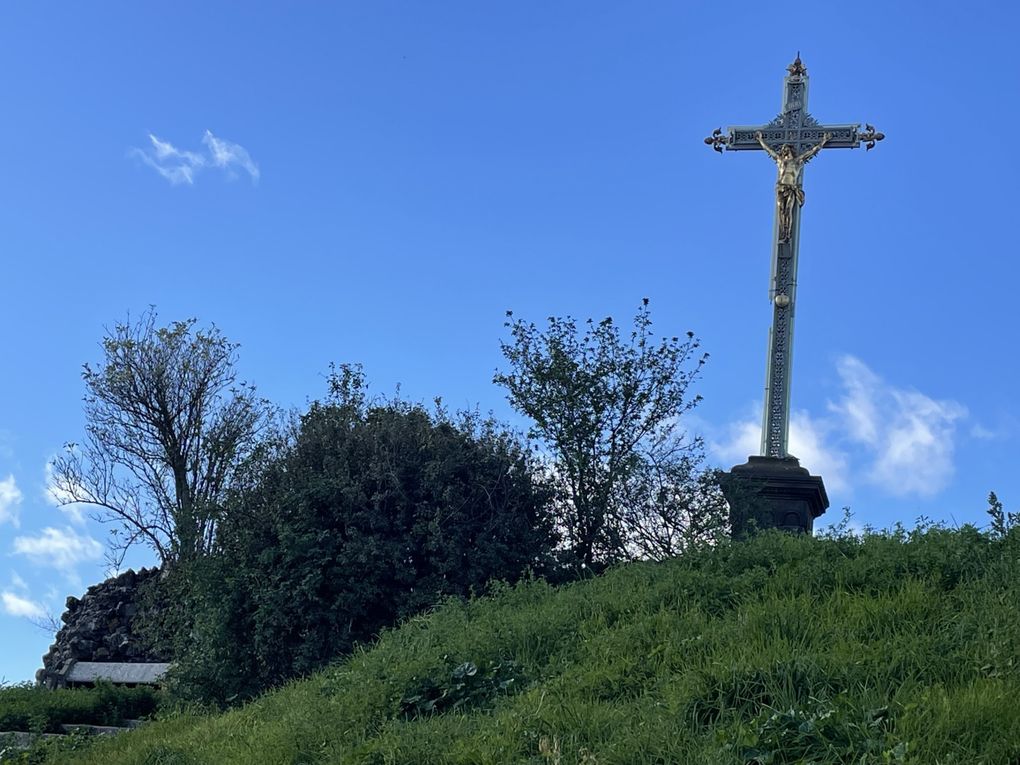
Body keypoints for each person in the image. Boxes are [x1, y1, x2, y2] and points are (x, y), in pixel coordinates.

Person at [756, 131, 831, 243]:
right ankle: (782, 233)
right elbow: (769, 151)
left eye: (786, 148)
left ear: (790, 150)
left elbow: (812, 151)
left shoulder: (797, 161)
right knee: (781, 210)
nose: (784, 150)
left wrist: (824, 140)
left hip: (791, 188)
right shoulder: (780, 161)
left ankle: (787, 234)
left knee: (788, 211)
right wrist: (760, 140)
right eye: (783, 149)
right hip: (780, 188)